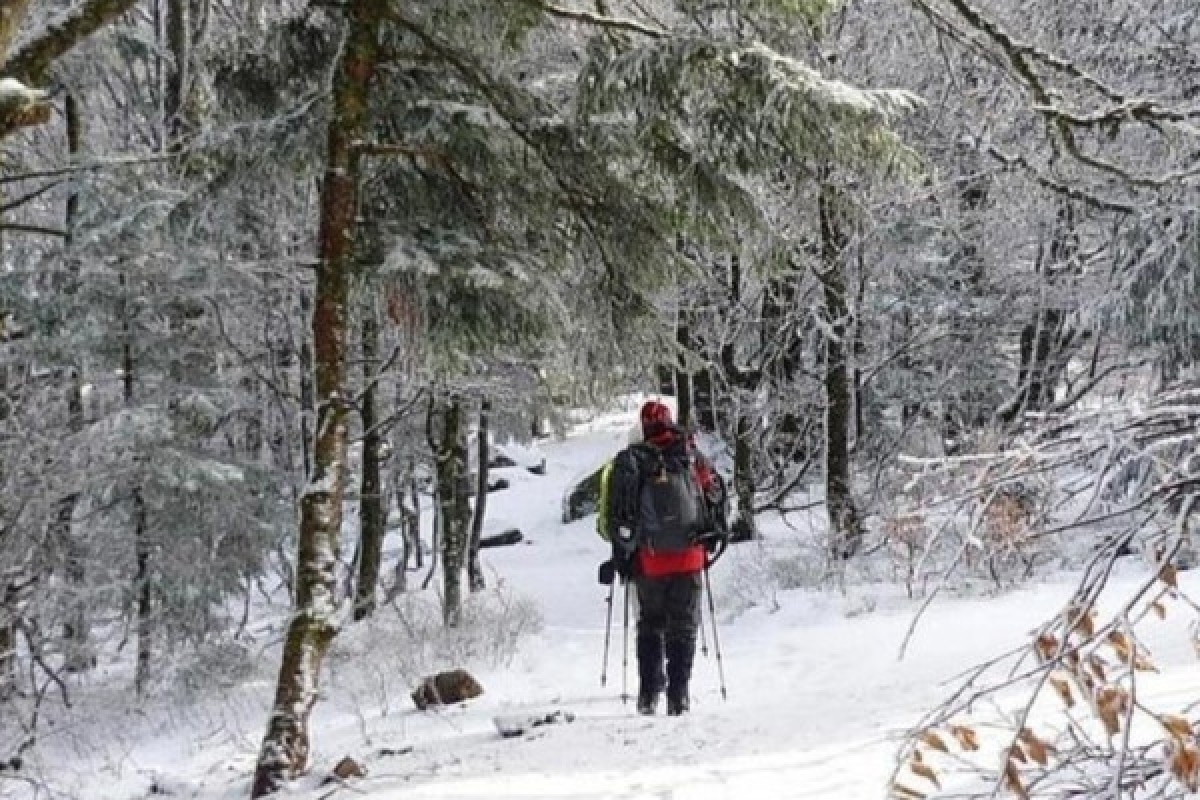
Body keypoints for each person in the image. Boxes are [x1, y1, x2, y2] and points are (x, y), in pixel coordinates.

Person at [596, 400, 728, 715]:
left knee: (650, 624)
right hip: (689, 556)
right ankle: (679, 695)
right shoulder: (691, 455)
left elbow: (613, 517)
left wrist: (622, 553)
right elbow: (715, 498)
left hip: (649, 559)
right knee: (683, 627)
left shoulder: (631, 461)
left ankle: (648, 694)